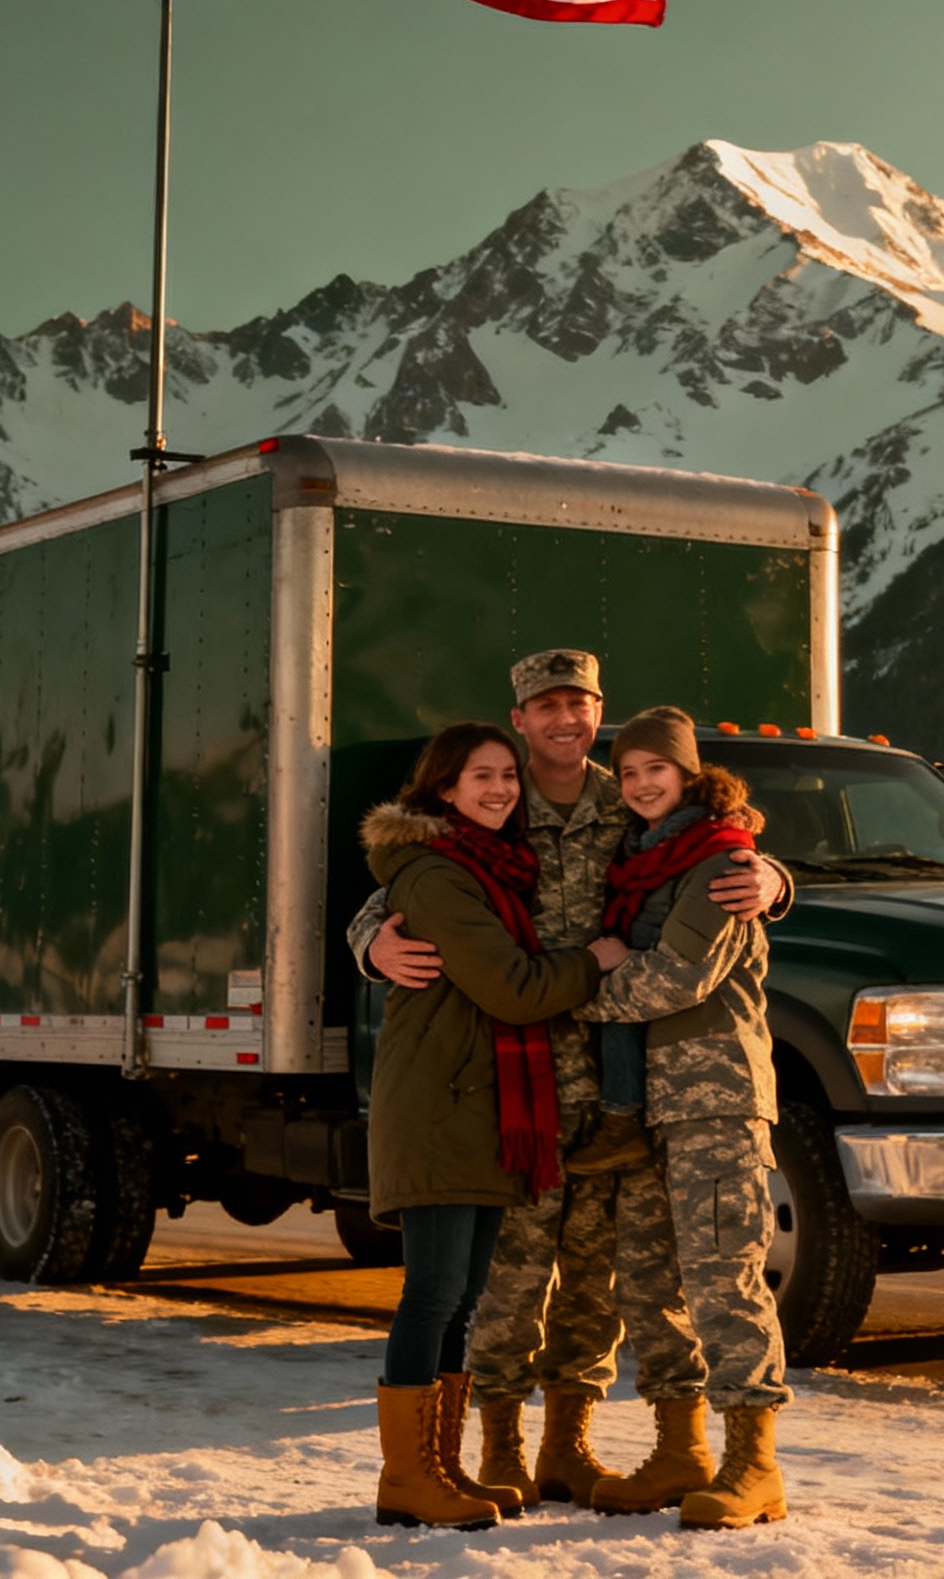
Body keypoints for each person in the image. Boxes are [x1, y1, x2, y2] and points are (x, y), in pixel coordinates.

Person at [347, 649, 791, 1507]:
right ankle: (501, 1451)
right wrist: (367, 939)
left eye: (578, 706)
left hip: (622, 1087)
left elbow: (717, 838)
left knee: (601, 1285)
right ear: (518, 718)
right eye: (544, 706)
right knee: (509, 1283)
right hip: (517, 1085)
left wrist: (774, 879)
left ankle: (569, 1448)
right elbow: (414, 871)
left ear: (597, 712)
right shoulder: (496, 802)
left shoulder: (625, 800)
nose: (563, 721)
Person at [360, 720, 630, 1530]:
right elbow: (510, 987)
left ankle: (438, 1470)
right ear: (444, 787)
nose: (501, 789)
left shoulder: (495, 863)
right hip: (444, 1102)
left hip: (481, 1101)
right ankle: (407, 1479)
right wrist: (596, 960)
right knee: (434, 1292)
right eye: (481, 776)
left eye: (507, 777)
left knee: (461, 1294)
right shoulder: (441, 872)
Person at [578, 706, 792, 1529]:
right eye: (627, 773)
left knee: (723, 1281)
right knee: (649, 1282)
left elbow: (675, 979)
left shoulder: (721, 864)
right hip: (642, 1108)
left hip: (713, 1101)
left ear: (689, 773)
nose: (639, 785)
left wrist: (572, 990)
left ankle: (755, 1466)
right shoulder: (638, 861)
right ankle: (681, 1450)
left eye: (654, 770)